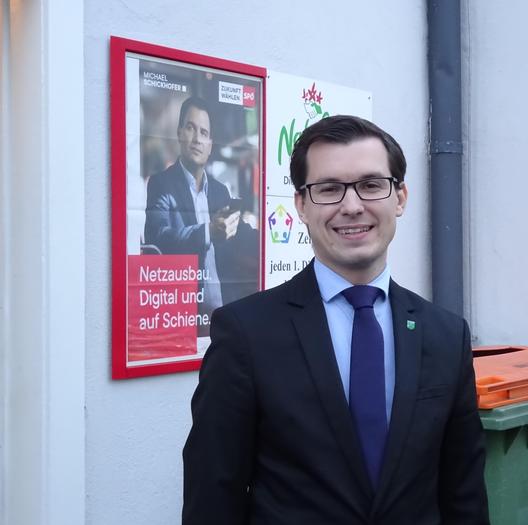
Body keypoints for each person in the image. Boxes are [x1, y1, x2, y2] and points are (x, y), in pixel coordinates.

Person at [182, 115, 490, 524]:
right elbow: (212, 496)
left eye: (371, 184)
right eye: (328, 189)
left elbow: (463, 493)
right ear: (301, 206)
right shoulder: (246, 334)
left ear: (399, 198)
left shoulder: (446, 335)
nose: (351, 206)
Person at [144, 97, 258, 333]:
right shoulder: (161, 184)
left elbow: (239, 234)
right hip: (183, 317)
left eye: (204, 132)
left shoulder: (219, 190)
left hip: (224, 315)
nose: (197, 139)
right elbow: (158, 236)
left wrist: (267, 240)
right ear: (178, 133)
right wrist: (207, 232)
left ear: (210, 143)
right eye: (190, 128)